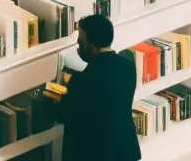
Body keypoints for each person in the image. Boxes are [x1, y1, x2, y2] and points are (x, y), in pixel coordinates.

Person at [60, 14, 140, 161]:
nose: (79, 47)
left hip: (95, 153)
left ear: (90, 45)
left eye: (80, 43)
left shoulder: (82, 80)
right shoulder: (128, 66)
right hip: (124, 149)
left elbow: (67, 115)